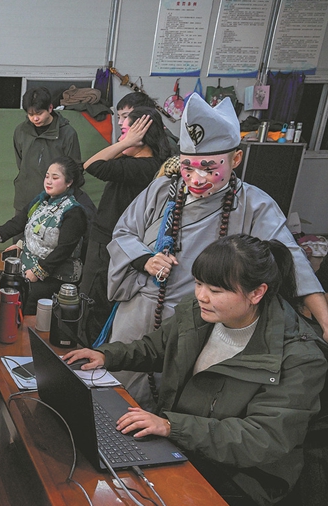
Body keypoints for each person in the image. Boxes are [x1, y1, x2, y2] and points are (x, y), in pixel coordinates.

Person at [64, 234, 327, 506]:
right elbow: (159, 347)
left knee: (130, 501)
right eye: (199, 283)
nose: (201, 296)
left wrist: (171, 426)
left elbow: (262, 438)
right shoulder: (202, 312)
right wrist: (107, 355)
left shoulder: (300, 357)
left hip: (243, 474)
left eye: (215, 290)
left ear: (256, 293)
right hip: (182, 439)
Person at [106, 93, 328, 409]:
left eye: (210, 169)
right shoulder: (161, 190)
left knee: (176, 403)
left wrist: (324, 317)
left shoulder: (254, 204)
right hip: (139, 312)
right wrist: (146, 259)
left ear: (235, 160)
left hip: (197, 323)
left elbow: (291, 256)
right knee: (119, 391)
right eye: (188, 167)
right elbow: (123, 233)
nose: (196, 179)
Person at [79, 107, 172, 345]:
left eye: (125, 132)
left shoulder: (142, 167)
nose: (121, 138)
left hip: (111, 243)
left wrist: (127, 143)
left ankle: (90, 354)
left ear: (141, 137)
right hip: (108, 240)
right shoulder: (138, 162)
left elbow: (91, 164)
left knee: (95, 302)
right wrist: (127, 143)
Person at [0, 156, 90, 315]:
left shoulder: (74, 212)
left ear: (69, 182)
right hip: (27, 268)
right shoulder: (41, 201)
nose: (48, 181)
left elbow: (64, 250)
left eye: (55, 178)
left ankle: (18, 334)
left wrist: (38, 272)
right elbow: (17, 222)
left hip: (56, 276)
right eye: (47, 176)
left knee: (26, 292)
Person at [12, 86, 81, 216]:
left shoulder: (67, 133)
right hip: (25, 198)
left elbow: (75, 170)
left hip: (56, 202)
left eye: (39, 113)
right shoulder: (21, 131)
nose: (35, 119)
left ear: (50, 108)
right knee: (19, 234)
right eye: (30, 114)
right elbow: (20, 162)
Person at [114, 92, 179, 153]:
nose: (119, 122)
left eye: (125, 117)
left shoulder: (167, 143)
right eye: (118, 117)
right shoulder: (124, 138)